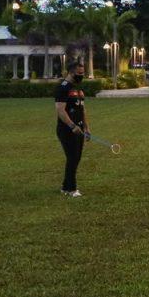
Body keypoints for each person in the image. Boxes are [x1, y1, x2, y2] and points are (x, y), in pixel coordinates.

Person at [55, 60, 89, 197]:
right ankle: (72, 189)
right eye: (79, 73)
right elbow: (60, 110)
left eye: (83, 72)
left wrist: (86, 128)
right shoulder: (63, 87)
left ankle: (65, 187)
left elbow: (83, 109)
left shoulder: (78, 88)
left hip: (79, 129)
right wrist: (72, 126)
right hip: (66, 130)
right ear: (71, 72)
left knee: (76, 158)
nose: (82, 75)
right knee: (72, 158)